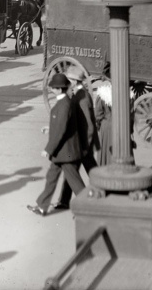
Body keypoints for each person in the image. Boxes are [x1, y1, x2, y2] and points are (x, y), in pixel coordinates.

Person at [27, 73, 85, 216]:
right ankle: (42, 206)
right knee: (51, 178)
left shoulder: (63, 105)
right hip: (63, 151)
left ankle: (88, 207)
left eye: (53, 87)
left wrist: (48, 149)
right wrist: (49, 129)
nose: (51, 89)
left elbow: (61, 130)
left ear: (59, 89)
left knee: (75, 182)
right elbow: (60, 126)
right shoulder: (65, 102)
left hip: (64, 151)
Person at [56, 71, 99, 210]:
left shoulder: (83, 98)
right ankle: (63, 200)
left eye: (69, 80)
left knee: (85, 171)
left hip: (83, 143)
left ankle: (97, 198)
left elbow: (90, 125)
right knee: (73, 170)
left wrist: (86, 146)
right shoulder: (80, 95)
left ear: (74, 81)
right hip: (81, 142)